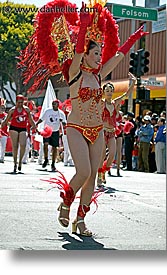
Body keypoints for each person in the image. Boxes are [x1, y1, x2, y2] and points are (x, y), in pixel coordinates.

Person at [18, 0, 149, 236]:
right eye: (96, 53)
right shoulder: (75, 72)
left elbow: (118, 55)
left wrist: (135, 38)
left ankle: (80, 220)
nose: (100, 57)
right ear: (86, 54)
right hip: (76, 128)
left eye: (100, 53)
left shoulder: (99, 75)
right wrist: (85, 26)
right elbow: (78, 51)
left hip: (97, 129)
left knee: (92, 178)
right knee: (84, 172)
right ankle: (65, 203)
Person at [97, 74, 136, 186]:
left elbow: (126, 94)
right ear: (104, 92)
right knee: (102, 154)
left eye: (111, 90)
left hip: (112, 132)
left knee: (112, 153)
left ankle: (104, 170)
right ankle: (99, 177)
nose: (109, 92)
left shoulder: (115, 103)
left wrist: (133, 83)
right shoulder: (101, 102)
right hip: (102, 131)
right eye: (107, 90)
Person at [1, 95, 36, 172]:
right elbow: (6, 120)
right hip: (13, 128)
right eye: (18, 102)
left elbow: (30, 119)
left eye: (21, 102)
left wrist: (34, 126)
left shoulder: (26, 110)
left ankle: (20, 161)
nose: (20, 104)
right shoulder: (12, 110)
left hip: (23, 128)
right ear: (16, 102)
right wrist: (3, 125)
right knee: (15, 146)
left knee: (23, 144)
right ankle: (15, 163)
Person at [36, 99, 67, 171]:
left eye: (55, 104)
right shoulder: (47, 111)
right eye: (53, 103)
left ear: (58, 105)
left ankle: (53, 163)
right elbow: (41, 119)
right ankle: (46, 159)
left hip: (55, 131)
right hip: (47, 130)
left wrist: (61, 121)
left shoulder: (61, 113)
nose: (53, 105)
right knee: (45, 144)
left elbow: (65, 124)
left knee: (54, 147)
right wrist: (36, 124)